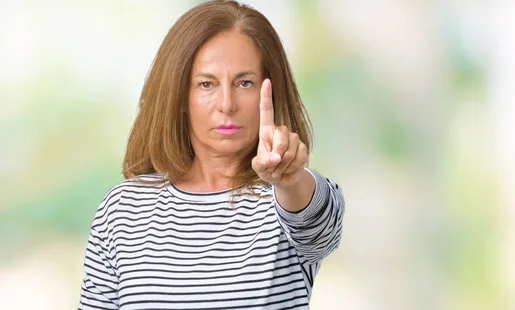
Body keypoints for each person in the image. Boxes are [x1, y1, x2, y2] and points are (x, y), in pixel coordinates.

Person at [78, 1, 345, 309]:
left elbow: (315, 222)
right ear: (179, 95)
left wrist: (289, 180)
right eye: (206, 84)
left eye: (245, 83)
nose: (227, 104)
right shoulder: (122, 210)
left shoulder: (290, 200)